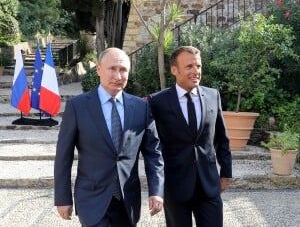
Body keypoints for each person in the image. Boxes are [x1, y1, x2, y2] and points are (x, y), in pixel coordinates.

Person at [54, 47, 164, 227]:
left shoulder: (141, 108)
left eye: (123, 70)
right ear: (98, 69)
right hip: (91, 199)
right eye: (112, 69)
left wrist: (156, 190)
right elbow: (63, 156)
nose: (118, 76)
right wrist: (62, 198)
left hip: (128, 201)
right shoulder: (78, 106)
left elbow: (154, 153)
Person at [148, 46, 232, 227]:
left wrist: (226, 172)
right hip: (175, 185)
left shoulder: (212, 95)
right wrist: (156, 185)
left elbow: (221, 137)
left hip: (209, 185)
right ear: (174, 70)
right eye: (189, 67)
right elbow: (151, 146)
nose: (196, 71)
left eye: (199, 66)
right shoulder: (157, 101)